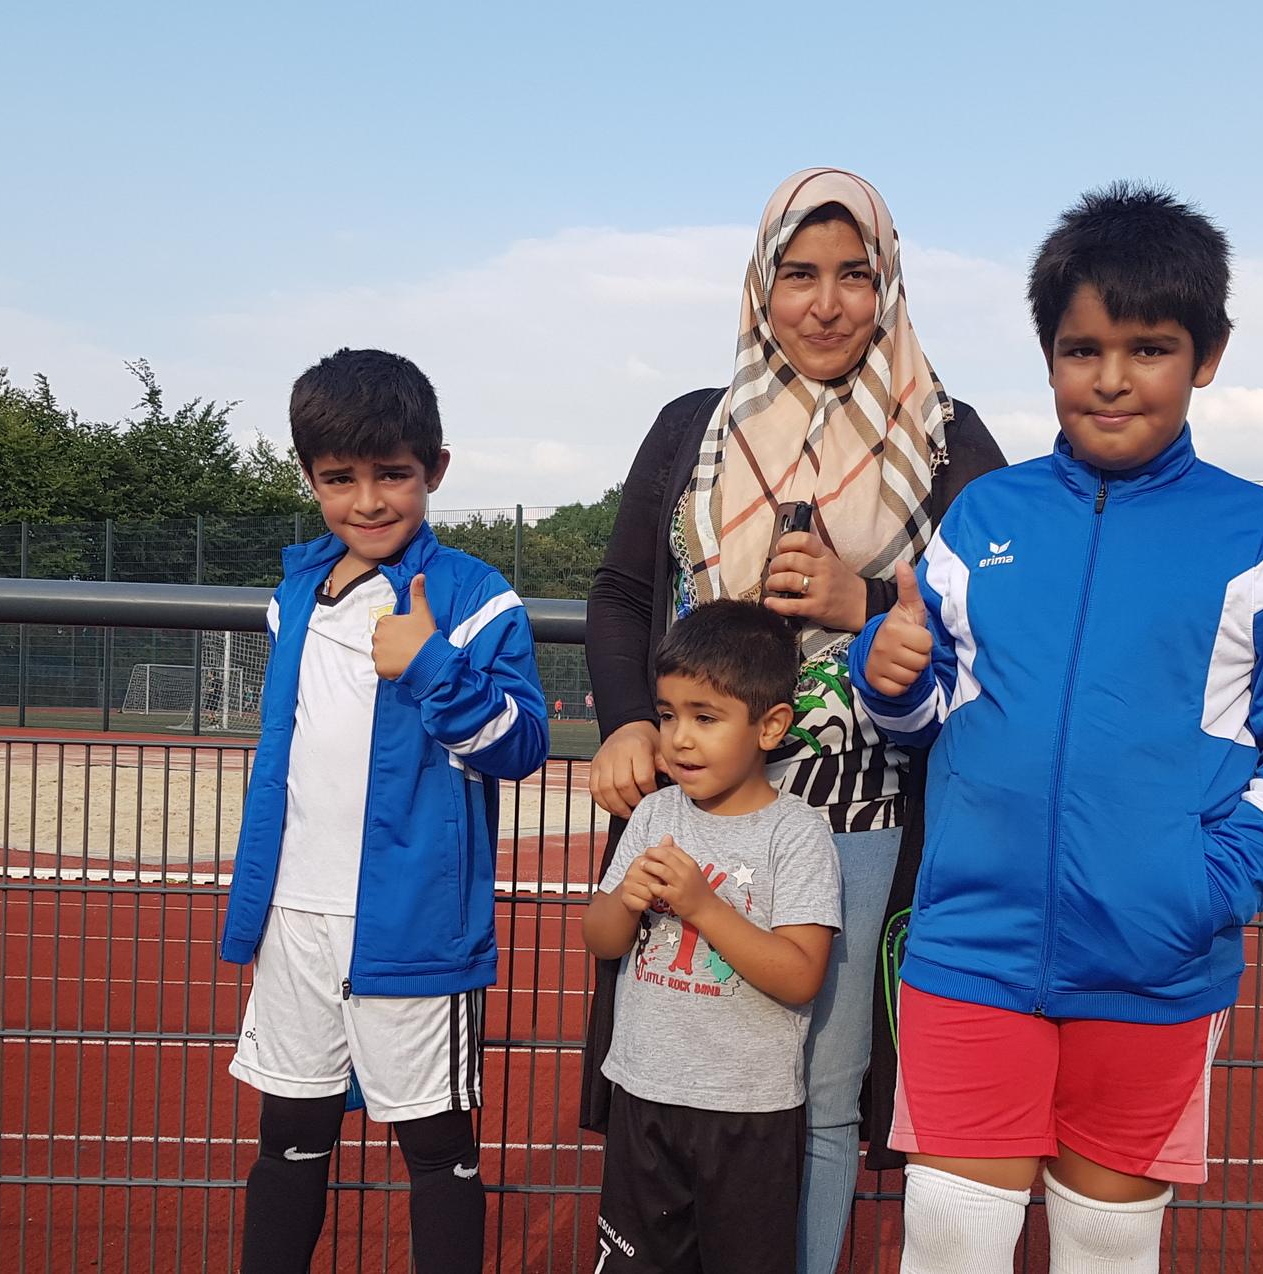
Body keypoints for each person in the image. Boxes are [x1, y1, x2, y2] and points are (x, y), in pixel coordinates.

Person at [851, 184, 1263, 1273]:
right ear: (1048, 357)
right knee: (949, 1240)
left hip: (1155, 960)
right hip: (971, 950)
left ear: (1207, 356)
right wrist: (886, 670)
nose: (1115, 376)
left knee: (1104, 1250)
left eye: (1151, 347)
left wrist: (1210, 881)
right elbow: (924, 701)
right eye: (1083, 348)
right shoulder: (986, 515)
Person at [579, 167, 1006, 1273]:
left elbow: (1003, 619)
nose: (825, 303)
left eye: (855, 275)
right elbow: (623, 592)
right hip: (699, 792)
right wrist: (627, 720)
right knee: (674, 1048)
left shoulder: (948, 438)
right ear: (760, 289)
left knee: (817, 1085)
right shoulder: (694, 428)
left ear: (890, 286)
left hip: (860, 808)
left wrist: (858, 599)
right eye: (799, 275)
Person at [218, 348, 550, 1274]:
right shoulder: (293, 597)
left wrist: (434, 663)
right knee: (288, 1135)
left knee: (435, 1149)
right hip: (295, 916)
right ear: (311, 479)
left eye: (392, 474)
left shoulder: (477, 600)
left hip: (411, 926)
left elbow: (523, 745)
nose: (367, 501)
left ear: (434, 470)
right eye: (340, 478)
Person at [582, 600, 842, 1272]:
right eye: (667, 716)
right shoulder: (654, 814)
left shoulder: (798, 833)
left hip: (746, 1115)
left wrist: (703, 906)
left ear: (770, 725)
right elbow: (602, 939)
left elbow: (799, 974)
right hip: (643, 1096)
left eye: (705, 718)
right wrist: (624, 899)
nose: (679, 739)